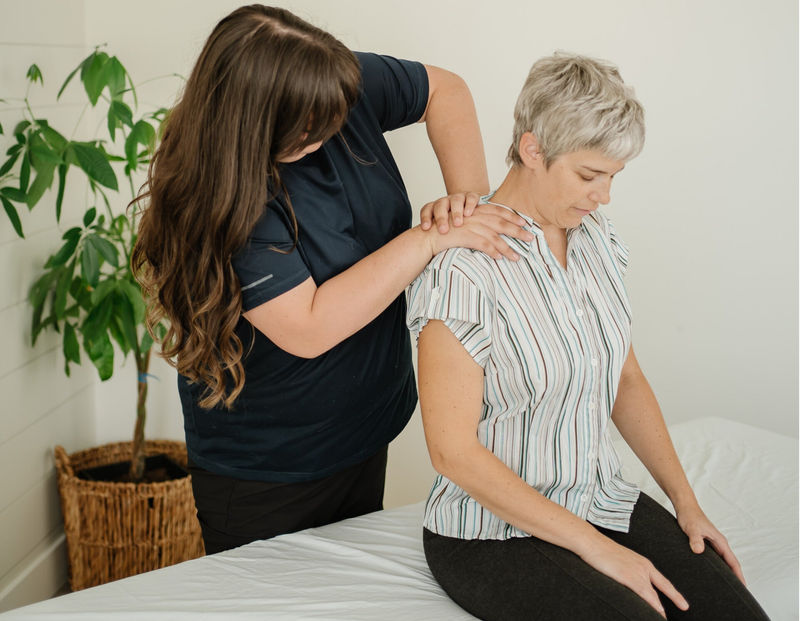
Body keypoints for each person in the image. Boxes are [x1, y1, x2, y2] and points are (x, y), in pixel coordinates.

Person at [131, 5, 531, 555]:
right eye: (309, 130)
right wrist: (430, 238)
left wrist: (470, 201)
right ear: (254, 125)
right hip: (268, 470)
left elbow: (447, 91)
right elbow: (309, 327)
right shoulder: (221, 200)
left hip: (364, 430)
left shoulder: (331, 86)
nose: (334, 131)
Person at [407, 52, 771, 620]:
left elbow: (624, 378)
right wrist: (598, 550)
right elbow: (451, 452)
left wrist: (686, 504)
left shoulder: (597, 239)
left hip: (600, 499)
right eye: (589, 175)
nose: (603, 196)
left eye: (613, 178)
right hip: (489, 534)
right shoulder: (461, 269)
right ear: (532, 150)